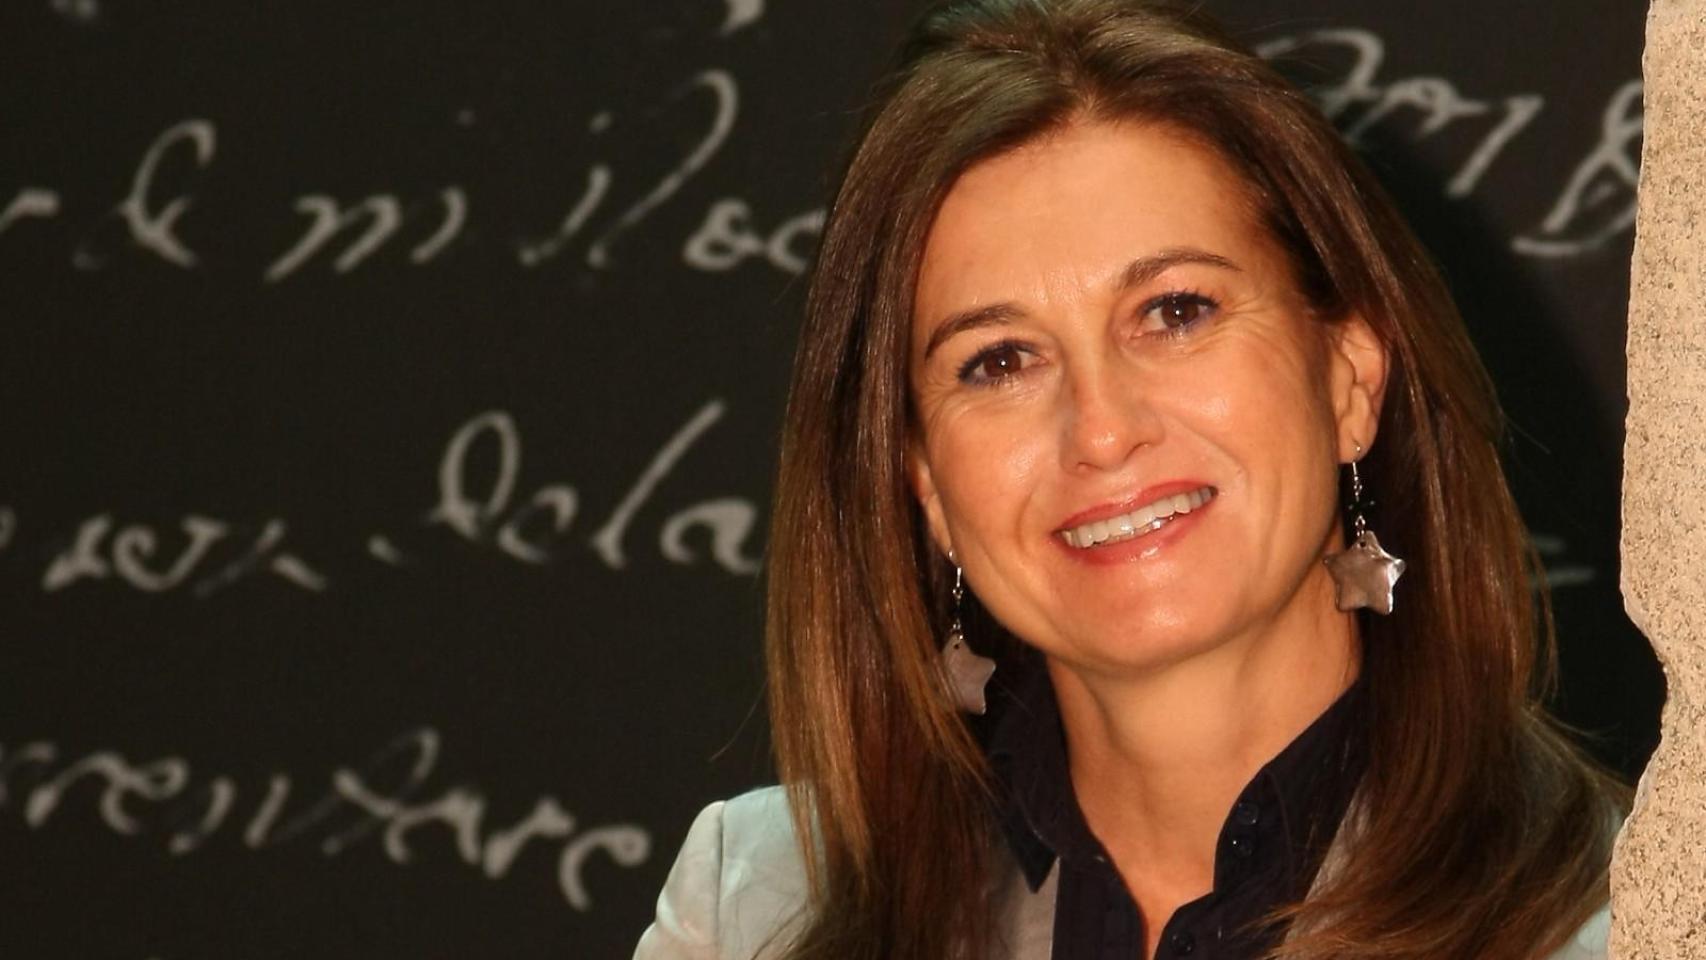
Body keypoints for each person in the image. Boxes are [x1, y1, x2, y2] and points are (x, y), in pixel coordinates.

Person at [633, 0, 1629, 957]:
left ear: (1348, 378)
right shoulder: (752, 913)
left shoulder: (1638, 924)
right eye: (998, 361)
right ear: (925, 481)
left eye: (1175, 311)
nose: (1102, 431)